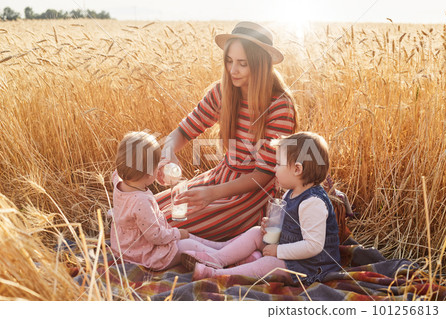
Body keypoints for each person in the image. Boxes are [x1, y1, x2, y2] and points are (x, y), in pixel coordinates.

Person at [155, 21, 297, 241]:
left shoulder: (279, 106)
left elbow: (264, 175)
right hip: (220, 177)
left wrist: (211, 195)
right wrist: (168, 153)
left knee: (167, 225)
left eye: (243, 63)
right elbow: (183, 131)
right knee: (148, 212)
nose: (233, 70)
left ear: (260, 64)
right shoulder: (222, 92)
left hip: (253, 193)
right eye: (229, 61)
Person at [180, 132, 341, 285]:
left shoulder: (312, 202)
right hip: (287, 249)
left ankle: (217, 275)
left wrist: (278, 251)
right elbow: (290, 225)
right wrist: (271, 225)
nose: (274, 169)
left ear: (297, 169)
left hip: (310, 266)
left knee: (270, 263)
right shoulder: (292, 192)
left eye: (278, 164)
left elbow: (313, 246)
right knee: (256, 232)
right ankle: (217, 258)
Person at [110, 131, 257, 270]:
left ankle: (223, 248)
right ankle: (228, 257)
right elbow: (155, 236)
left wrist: (154, 166)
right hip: (147, 255)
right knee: (187, 244)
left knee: (188, 241)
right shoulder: (141, 201)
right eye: (156, 167)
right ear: (149, 174)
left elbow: (129, 167)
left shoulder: (118, 179)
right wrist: (178, 233)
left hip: (125, 248)